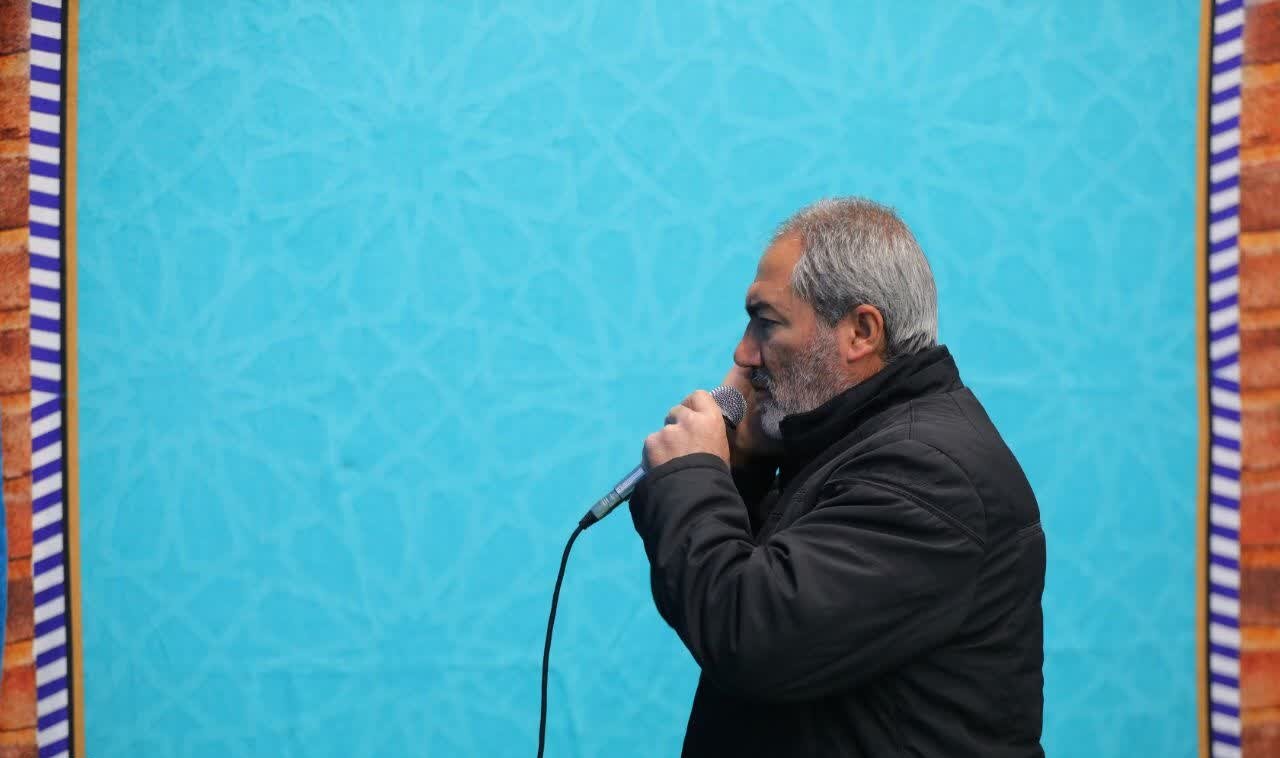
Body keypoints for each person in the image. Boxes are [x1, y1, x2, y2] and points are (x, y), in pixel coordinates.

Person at [629, 198, 1045, 757]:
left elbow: (748, 637)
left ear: (860, 331)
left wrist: (692, 474)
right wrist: (742, 468)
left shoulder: (926, 475)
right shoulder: (850, 449)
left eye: (766, 322)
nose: (743, 354)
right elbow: (738, 596)